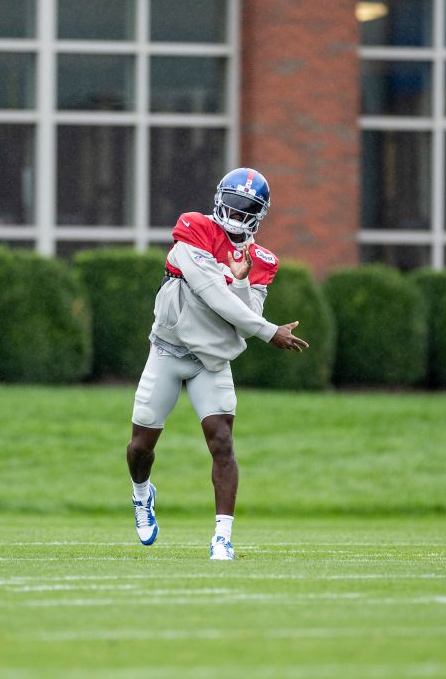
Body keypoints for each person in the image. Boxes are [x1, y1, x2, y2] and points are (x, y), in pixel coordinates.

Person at [126, 167, 309, 561]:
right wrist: (270, 331)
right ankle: (142, 494)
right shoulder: (193, 227)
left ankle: (222, 537)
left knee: (222, 443)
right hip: (168, 351)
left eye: (247, 210)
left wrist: (242, 282)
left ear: (260, 215)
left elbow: (241, 318)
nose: (237, 215)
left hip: (211, 361)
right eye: (233, 205)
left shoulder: (261, 259)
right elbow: (211, 293)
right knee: (141, 446)